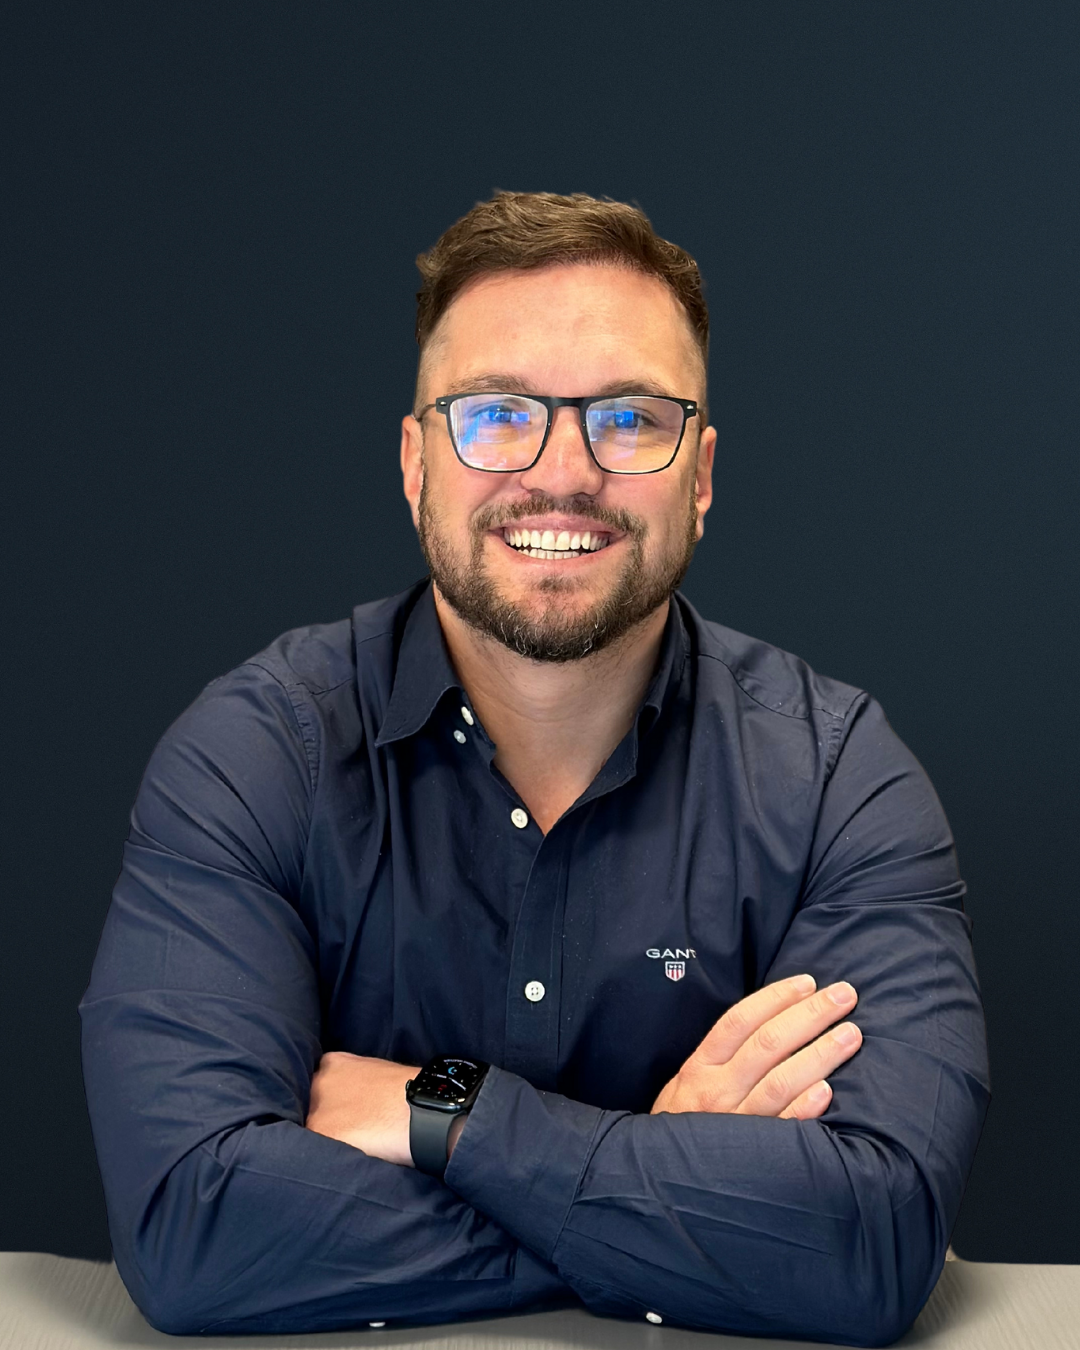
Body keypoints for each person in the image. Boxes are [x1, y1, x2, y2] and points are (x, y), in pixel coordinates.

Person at [80, 191, 990, 1345]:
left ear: (702, 475)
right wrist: (663, 1187)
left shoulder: (838, 779)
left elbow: (874, 1242)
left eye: (630, 419)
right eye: (497, 415)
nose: (562, 473)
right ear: (416, 465)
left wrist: (450, 1115)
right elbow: (192, 1227)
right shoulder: (255, 757)